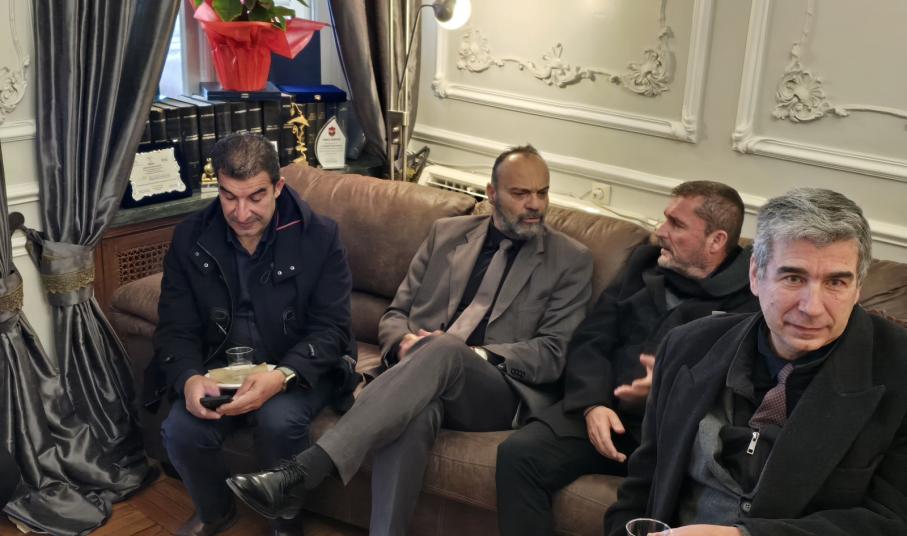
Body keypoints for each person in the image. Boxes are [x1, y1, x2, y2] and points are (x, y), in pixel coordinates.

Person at [226, 145, 594, 535]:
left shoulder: (570, 260)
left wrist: (472, 354)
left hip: (495, 391)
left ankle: (305, 470)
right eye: (520, 193)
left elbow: (553, 353)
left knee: (446, 349)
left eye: (542, 192)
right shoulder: (447, 234)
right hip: (419, 378)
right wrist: (403, 342)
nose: (535, 204)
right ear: (492, 193)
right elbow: (394, 313)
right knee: (413, 416)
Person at [604, 188, 907, 536]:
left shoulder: (898, 368)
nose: (812, 307)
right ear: (755, 275)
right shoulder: (687, 346)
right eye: (793, 278)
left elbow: (892, 520)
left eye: (836, 282)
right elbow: (640, 490)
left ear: (857, 288)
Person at [496, 181, 759, 535]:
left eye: (676, 224)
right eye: (665, 219)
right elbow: (592, 338)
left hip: (674, 434)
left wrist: (664, 390)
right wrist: (592, 404)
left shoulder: (750, 297)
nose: (660, 231)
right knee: (518, 455)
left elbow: (737, 382)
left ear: (716, 240)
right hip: (607, 411)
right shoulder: (644, 264)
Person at [149, 133, 356, 536]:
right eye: (229, 197)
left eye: (255, 197)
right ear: (217, 187)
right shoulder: (190, 236)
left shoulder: (320, 236)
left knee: (278, 421)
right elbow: (175, 327)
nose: (241, 213)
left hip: (298, 366)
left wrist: (281, 376)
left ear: (278, 187)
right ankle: (216, 513)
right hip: (220, 367)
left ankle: (286, 525)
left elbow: (332, 329)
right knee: (180, 429)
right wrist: (188, 378)